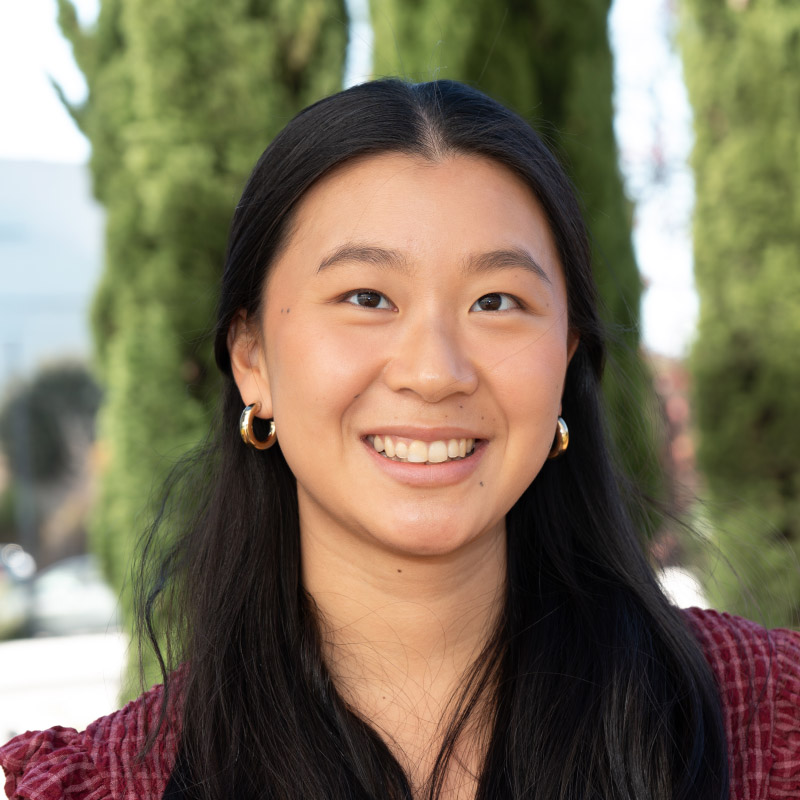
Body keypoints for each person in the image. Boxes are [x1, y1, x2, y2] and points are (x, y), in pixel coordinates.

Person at [1, 79, 798, 800]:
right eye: (367, 297)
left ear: (566, 357)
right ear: (251, 360)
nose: (434, 372)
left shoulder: (766, 726)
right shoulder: (112, 785)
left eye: (496, 302)